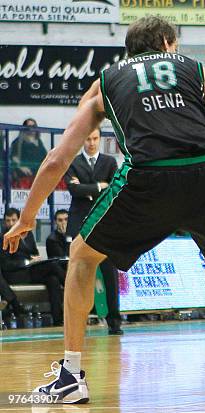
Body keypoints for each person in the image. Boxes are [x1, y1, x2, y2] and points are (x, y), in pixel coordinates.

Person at [3, 16, 205, 403]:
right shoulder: (195, 69)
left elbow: (58, 158)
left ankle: (72, 375)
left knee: (81, 256)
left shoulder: (106, 82)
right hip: (203, 175)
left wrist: (27, 218)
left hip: (147, 180)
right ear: (165, 41)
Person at [64, 128, 123, 335]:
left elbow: (114, 188)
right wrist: (99, 186)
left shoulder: (109, 162)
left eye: (95, 138)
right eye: (87, 138)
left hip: (104, 222)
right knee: (78, 274)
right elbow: (74, 190)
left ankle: (115, 322)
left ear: (99, 139)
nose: (91, 142)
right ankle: (78, 324)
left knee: (110, 275)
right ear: (83, 140)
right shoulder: (73, 161)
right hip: (79, 224)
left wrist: (87, 188)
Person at [0, 208, 65, 325]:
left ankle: (58, 320)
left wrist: (36, 259)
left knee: (53, 280)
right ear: (4, 222)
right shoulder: (3, 237)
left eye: (13, 220)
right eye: (8, 221)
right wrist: (26, 262)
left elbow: (34, 252)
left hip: (31, 270)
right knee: (53, 265)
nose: (10, 224)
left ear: (18, 220)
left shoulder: (28, 234)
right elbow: (5, 264)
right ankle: (71, 287)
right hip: (16, 274)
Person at [10, 118, 48, 188]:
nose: (31, 129)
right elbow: (14, 158)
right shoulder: (18, 142)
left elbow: (45, 157)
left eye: (33, 126)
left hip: (38, 174)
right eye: (29, 126)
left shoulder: (39, 142)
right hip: (24, 174)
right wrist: (21, 167)